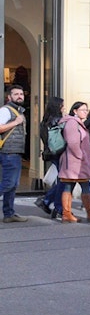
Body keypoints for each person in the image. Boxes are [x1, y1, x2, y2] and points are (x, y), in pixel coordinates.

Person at [57, 102, 90, 223]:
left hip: (77, 161)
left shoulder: (78, 122)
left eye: (86, 110)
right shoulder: (72, 123)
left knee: (82, 185)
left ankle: (89, 212)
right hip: (74, 161)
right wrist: (81, 156)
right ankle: (68, 213)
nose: (85, 112)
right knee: (70, 185)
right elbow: (72, 142)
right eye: (82, 110)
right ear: (75, 111)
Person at [0, 85, 28, 223]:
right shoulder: (6, 110)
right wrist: (15, 122)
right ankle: (8, 213)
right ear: (9, 97)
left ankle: (9, 214)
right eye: (16, 94)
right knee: (8, 183)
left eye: (21, 94)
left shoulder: (19, 111)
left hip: (14, 151)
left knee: (13, 184)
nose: (19, 96)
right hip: (8, 152)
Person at [35, 96, 65, 218]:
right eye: (62, 105)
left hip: (51, 153)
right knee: (64, 180)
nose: (64, 108)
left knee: (62, 180)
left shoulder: (45, 120)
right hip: (59, 152)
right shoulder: (58, 120)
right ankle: (52, 204)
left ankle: (50, 203)